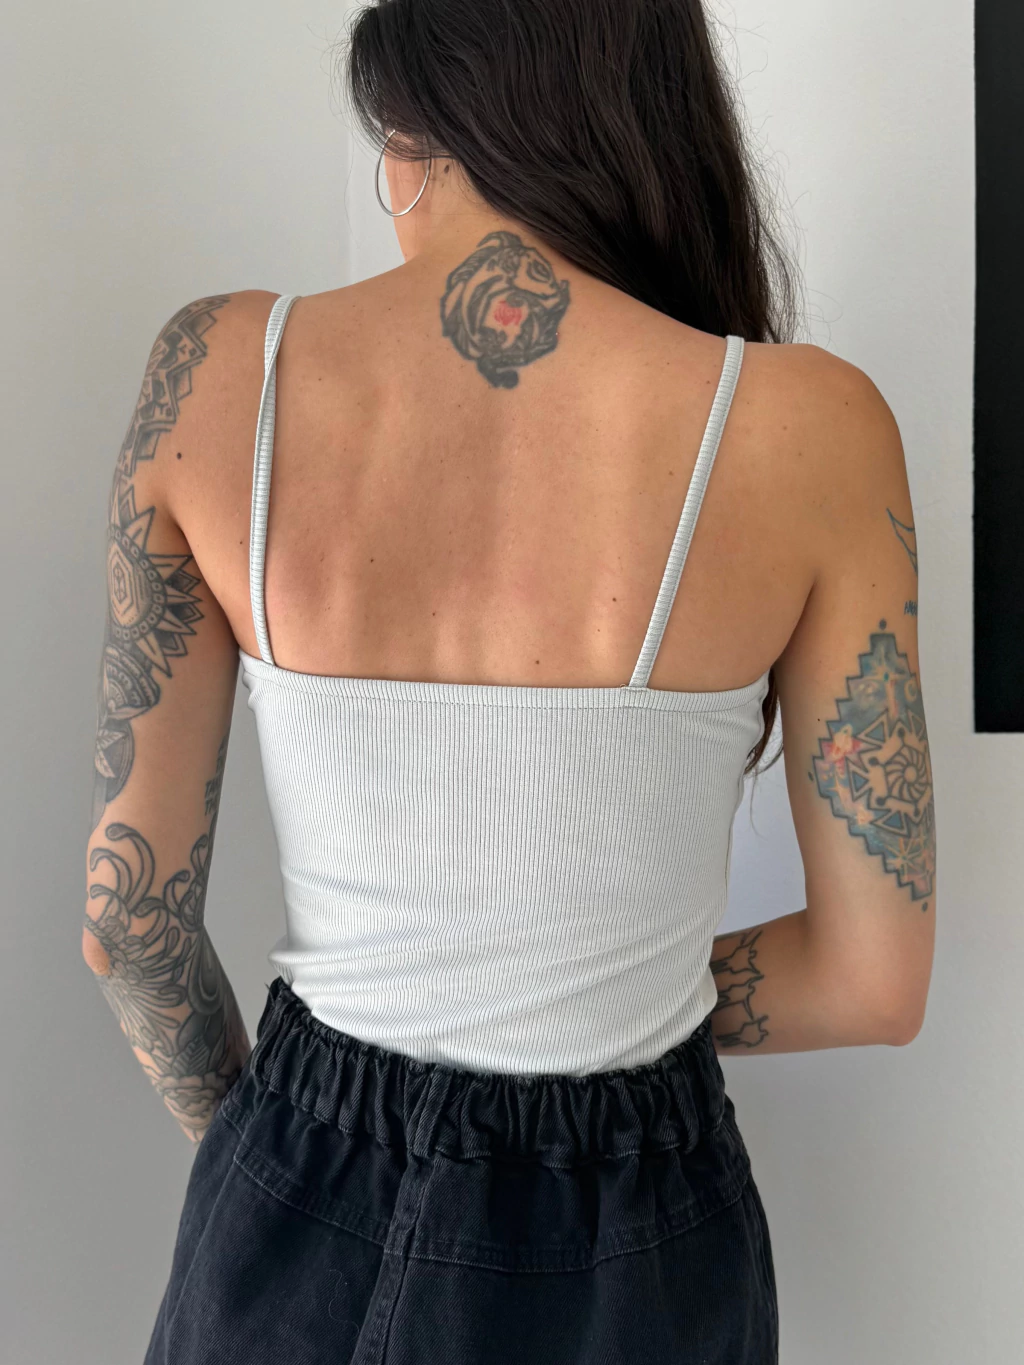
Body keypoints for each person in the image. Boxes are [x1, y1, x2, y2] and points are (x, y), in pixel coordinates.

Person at [82, 2, 936, 1361]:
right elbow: (872, 980)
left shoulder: (219, 375)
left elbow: (130, 925)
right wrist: (584, 988)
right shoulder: (812, 430)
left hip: (302, 1173)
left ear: (411, 132)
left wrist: (277, 1153)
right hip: (640, 1218)